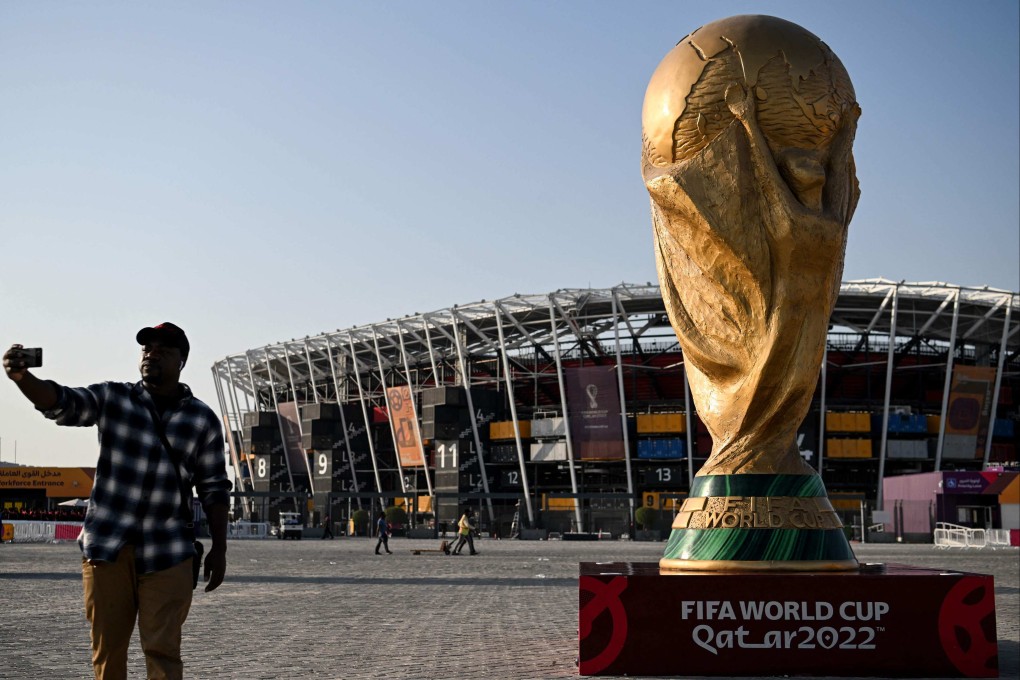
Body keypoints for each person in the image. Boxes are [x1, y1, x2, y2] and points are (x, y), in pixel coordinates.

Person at [3, 323, 231, 680]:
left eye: (164, 350)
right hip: (107, 549)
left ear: (182, 362)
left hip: (169, 551)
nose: (151, 353)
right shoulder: (113, 399)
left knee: (164, 653)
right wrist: (22, 378)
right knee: (108, 654)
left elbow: (215, 489)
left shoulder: (202, 420)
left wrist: (220, 547)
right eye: (146, 348)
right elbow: (62, 402)